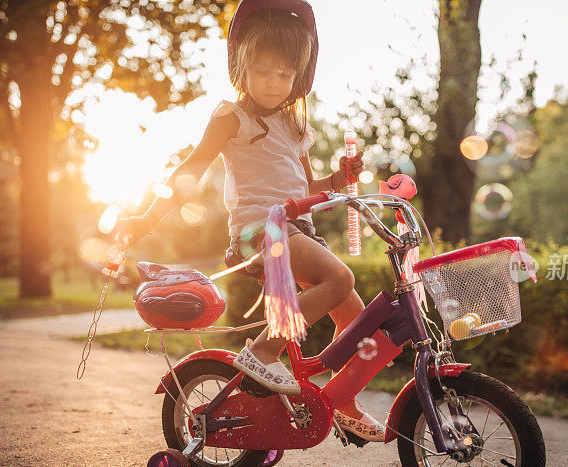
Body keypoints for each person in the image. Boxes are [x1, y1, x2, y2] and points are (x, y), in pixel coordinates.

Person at [117, 0, 385, 442]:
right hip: (261, 229)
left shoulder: (295, 123)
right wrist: (147, 218)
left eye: (285, 74)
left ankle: (340, 401)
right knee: (340, 279)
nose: (274, 83)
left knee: (356, 324)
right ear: (240, 63)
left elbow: (304, 182)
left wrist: (339, 178)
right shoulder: (231, 117)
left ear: (299, 74)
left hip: (299, 226)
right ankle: (264, 349)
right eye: (263, 70)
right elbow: (191, 170)